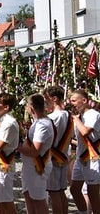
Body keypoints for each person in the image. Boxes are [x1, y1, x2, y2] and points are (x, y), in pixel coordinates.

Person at [18, 93, 55, 214]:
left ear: (31, 107)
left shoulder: (42, 125)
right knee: (29, 198)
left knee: (38, 201)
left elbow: (35, 151)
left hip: (38, 166)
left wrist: (16, 147)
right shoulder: (38, 122)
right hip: (30, 167)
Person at [69, 89, 100, 214]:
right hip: (81, 157)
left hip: (93, 157)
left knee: (93, 193)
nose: (72, 103)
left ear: (84, 100)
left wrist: (76, 120)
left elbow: (85, 131)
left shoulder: (93, 114)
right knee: (74, 190)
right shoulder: (80, 117)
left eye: (74, 101)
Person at [45, 85, 72, 214]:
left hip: (53, 156)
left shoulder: (53, 117)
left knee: (54, 192)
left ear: (54, 99)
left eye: (47, 99)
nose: (46, 102)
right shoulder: (69, 115)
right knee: (61, 191)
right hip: (64, 156)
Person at [0, 93, 19, 214]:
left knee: (6, 202)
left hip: (4, 165)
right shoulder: (0, 120)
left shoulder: (8, 123)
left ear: (6, 107)